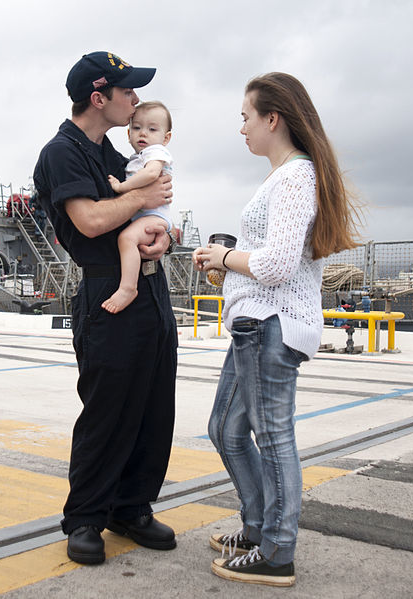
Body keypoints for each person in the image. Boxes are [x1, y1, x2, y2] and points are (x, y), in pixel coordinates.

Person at [193, 72, 360, 587]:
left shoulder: (294, 177)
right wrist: (230, 264)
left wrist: (224, 255)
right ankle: (259, 527)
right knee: (225, 429)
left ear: (272, 118)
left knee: (272, 435)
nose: (241, 127)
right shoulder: (282, 177)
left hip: (271, 325)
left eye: (246, 117)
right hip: (253, 323)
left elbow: (278, 264)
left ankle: (277, 550)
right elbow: (269, 259)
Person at [33, 51, 178, 565]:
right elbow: (92, 222)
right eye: (127, 92)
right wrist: (140, 203)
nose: (135, 101)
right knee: (107, 410)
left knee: (154, 407)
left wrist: (159, 239)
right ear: (99, 99)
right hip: (107, 295)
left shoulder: (113, 152)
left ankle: (132, 507)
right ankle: (87, 517)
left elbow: (153, 202)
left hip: (151, 290)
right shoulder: (62, 152)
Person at [102, 101, 174, 313]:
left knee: (126, 239)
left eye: (152, 129)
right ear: (128, 133)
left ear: (166, 138)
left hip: (153, 217)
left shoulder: (156, 153)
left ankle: (127, 288)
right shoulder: (137, 158)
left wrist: (122, 187)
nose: (143, 133)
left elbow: (152, 174)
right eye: (137, 128)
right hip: (149, 217)